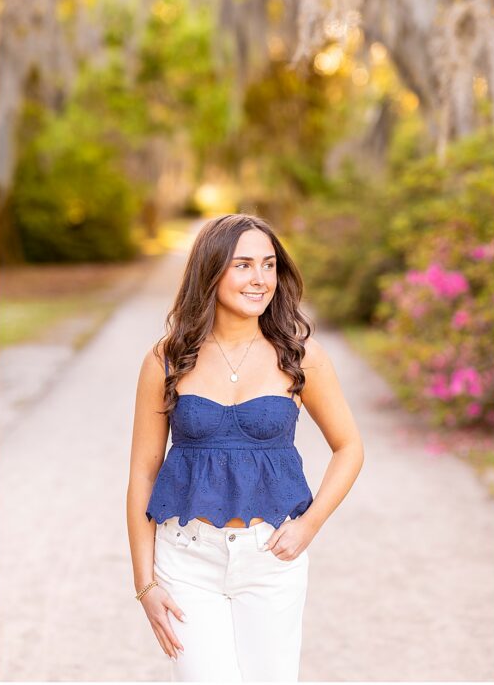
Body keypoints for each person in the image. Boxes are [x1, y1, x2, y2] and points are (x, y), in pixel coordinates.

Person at [126, 213, 364, 681]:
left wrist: (308, 526)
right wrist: (145, 582)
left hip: (270, 560)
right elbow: (142, 473)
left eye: (269, 265)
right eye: (243, 265)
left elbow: (350, 446)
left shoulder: (300, 356)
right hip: (187, 557)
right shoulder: (167, 358)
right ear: (211, 271)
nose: (260, 279)